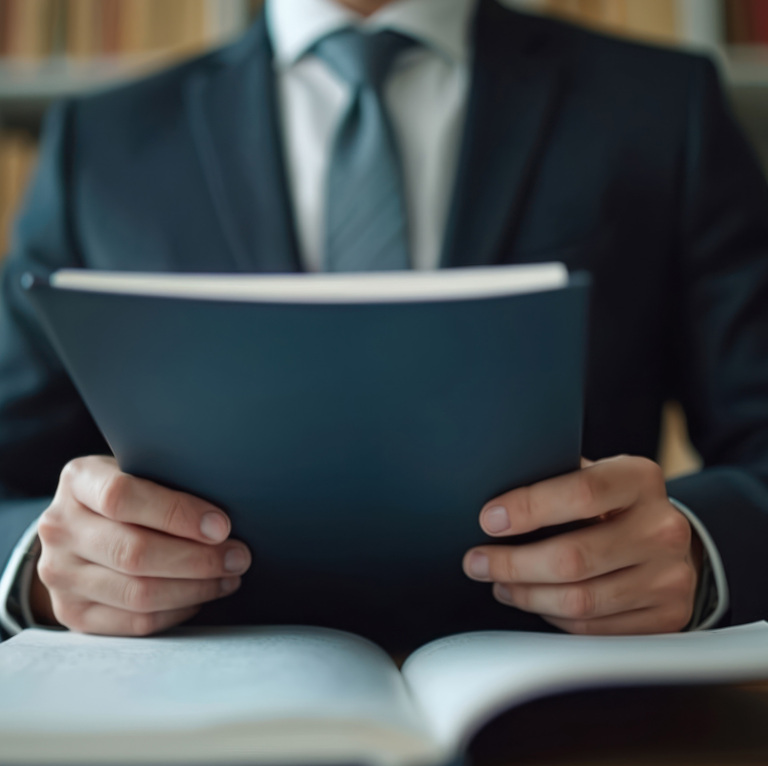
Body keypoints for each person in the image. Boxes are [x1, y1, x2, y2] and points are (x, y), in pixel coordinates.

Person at [1, 0, 768, 642]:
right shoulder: (100, 145)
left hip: (573, 704)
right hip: (203, 709)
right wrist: (45, 565)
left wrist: (700, 550)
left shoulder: (662, 105)